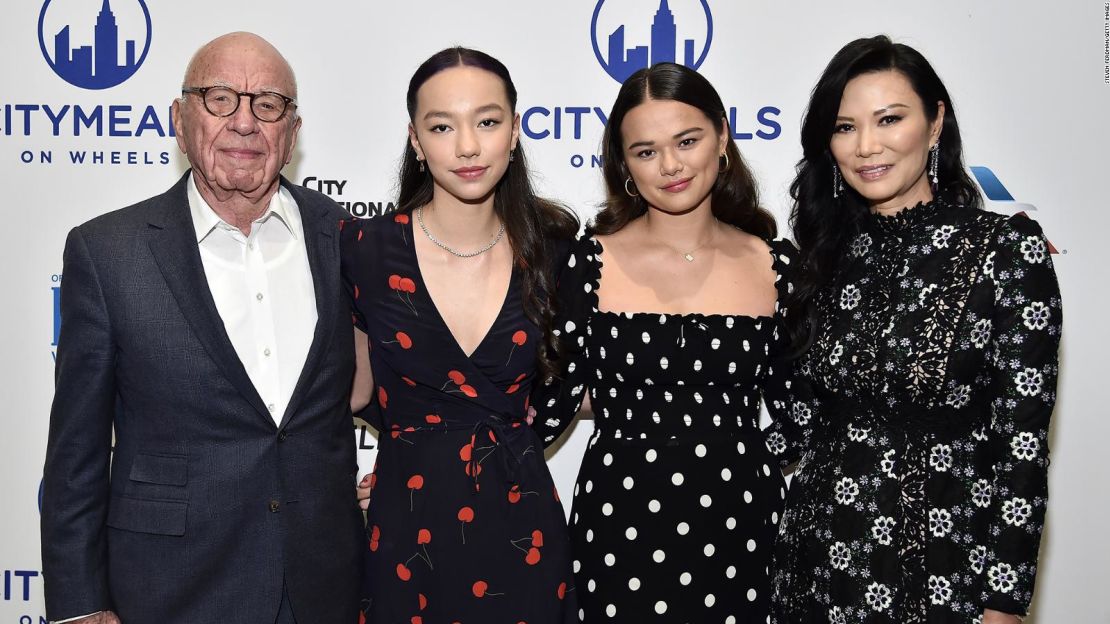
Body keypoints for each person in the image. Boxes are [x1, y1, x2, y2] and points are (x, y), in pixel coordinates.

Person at [40, 33, 363, 624]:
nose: (244, 122)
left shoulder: (347, 239)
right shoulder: (107, 253)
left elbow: (398, 381)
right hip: (169, 592)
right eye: (219, 98)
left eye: (268, 104)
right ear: (179, 119)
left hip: (323, 589)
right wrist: (78, 608)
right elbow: (75, 456)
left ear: (292, 133)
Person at [766, 35, 1062, 624]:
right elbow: (798, 424)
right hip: (816, 564)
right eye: (845, 127)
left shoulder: (1004, 251)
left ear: (935, 124)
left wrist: (1005, 602)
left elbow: (1022, 443)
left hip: (942, 568)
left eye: (889, 119)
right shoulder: (821, 260)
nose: (866, 146)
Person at [531, 62, 798, 622]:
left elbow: (805, 413)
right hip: (619, 526)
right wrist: (432, 457)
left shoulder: (776, 265)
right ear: (624, 165)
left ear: (722, 137)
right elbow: (544, 407)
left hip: (743, 529)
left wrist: (743, 457)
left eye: (687, 140)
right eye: (646, 151)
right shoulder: (590, 262)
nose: (671, 165)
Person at [340, 47, 579, 623]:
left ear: (516, 131)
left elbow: (564, 393)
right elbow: (344, 393)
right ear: (416, 141)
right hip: (406, 526)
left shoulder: (556, 252)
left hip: (524, 527)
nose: (467, 146)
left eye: (488, 122)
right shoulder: (363, 250)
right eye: (442, 126)